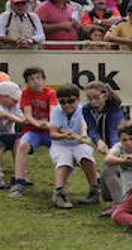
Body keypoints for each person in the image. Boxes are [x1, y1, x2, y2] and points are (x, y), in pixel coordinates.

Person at [44, 84, 100, 208]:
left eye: (71, 101)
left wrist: (83, 136)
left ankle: (94, 190)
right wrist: (64, 136)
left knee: (85, 155)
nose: (67, 105)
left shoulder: (84, 110)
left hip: (79, 142)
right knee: (64, 160)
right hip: (61, 144)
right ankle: (59, 192)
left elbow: (83, 124)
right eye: (63, 102)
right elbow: (53, 134)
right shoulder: (57, 111)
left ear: (78, 100)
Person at [8, 67, 57, 197]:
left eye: (38, 78)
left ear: (44, 80)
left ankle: (93, 179)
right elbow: (27, 115)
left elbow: (53, 113)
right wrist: (38, 124)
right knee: (22, 145)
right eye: (31, 79)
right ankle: (19, 182)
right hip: (33, 131)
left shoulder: (51, 93)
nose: (36, 82)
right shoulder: (26, 93)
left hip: (50, 131)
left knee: (68, 148)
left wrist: (49, 125)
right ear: (27, 82)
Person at [81, 81, 124, 203]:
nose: (93, 102)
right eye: (90, 99)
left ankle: (120, 205)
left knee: (107, 170)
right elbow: (91, 128)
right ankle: (119, 197)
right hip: (107, 146)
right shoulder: (86, 109)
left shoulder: (114, 110)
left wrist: (113, 150)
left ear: (104, 96)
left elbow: (114, 132)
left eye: (96, 98)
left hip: (121, 147)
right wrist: (98, 141)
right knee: (106, 196)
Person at [0, 80, 24, 188]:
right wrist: (12, 117)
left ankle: (18, 175)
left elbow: (22, 118)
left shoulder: (14, 105)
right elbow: (3, 114)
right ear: (3, 96)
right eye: (13, 100)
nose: (15, 103)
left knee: (20, 142)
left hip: (7, 135)